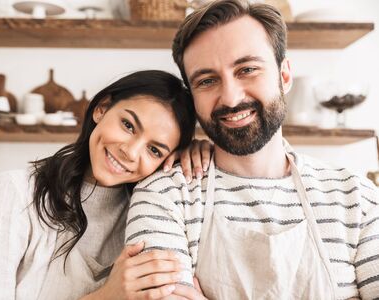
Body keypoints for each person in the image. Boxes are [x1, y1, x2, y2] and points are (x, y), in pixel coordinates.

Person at [125, 1, 379, 299]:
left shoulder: (356, 198)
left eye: (247, 69)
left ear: (284, 76)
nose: (231, 98)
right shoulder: (165, 194)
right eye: (207, 81)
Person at [0, 70, 212, 300]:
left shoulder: (152, 217)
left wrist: (202, 155)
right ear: (101, 109)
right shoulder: (15, 194)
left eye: (154, 150)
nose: (130, 152)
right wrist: (106, 296)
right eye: (128, 125)